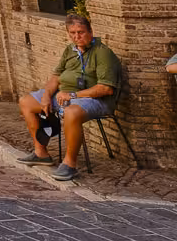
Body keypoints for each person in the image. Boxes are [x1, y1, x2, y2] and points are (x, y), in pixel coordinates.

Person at [17, 13, 122, 180]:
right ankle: (41, 153)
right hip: (63, 96)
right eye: (72, 33)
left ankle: (69, 164)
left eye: (80, 32)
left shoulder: (102, 53)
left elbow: (106, 88)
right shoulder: (70, 50)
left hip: (95, 100)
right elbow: (56, 77)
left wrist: (72, 95)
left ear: (90, 32)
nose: (77, 36)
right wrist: (46, 96)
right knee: (26, 102)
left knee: (71, 112)